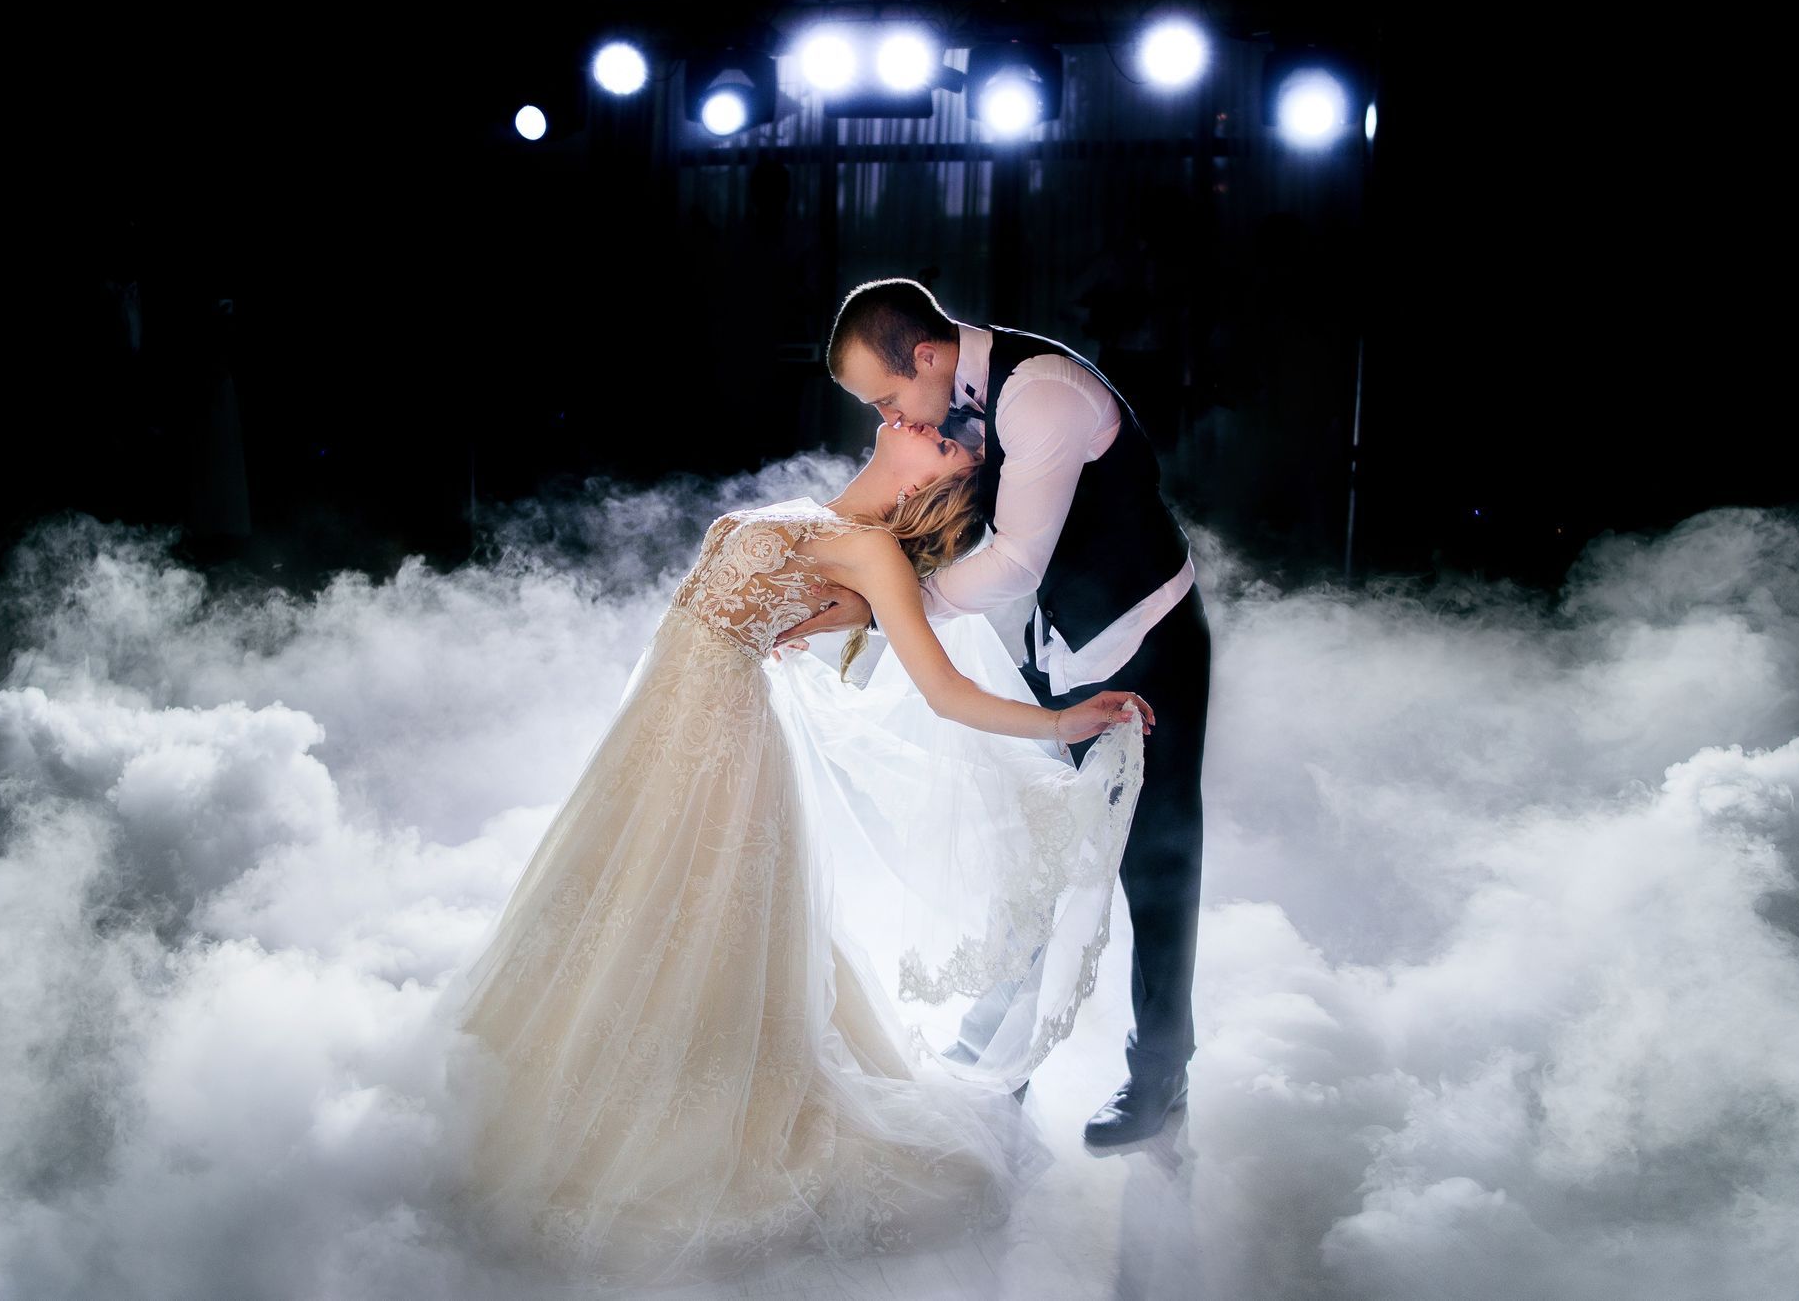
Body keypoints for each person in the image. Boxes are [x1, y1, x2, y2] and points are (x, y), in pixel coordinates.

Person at [427, 416, 1153, 1290]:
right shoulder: (818, 518)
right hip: (653, 737)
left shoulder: (872, 558)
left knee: (686, 923)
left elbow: (946, 691)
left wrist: (1062, 721)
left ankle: (681, 1109)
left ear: (934, 486)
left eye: (954, 444)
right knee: (607, 903)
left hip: (719, 752)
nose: (938, 427)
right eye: (950, 429)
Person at [793, 277, 1212, 1148]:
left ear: (931, 355)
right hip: (1060, 645)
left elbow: (1017, 562)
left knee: (1155, 863)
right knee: (1038, 844)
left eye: (888, 395)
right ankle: (997, 1056)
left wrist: (889, 604)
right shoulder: (950, 399)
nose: (890, 417)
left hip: (1148, 637)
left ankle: (1161, 1074)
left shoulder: (1042, 395)